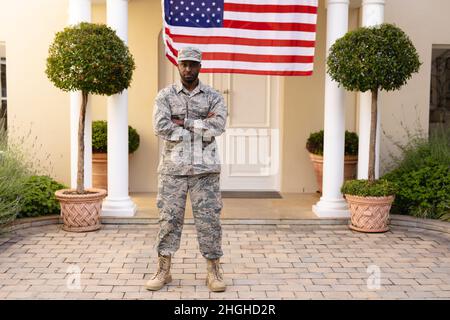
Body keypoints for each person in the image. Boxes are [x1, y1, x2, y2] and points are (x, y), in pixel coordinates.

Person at [145, 47, 228, 292]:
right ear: (178, 65)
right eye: (184, 64)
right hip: (173, 170)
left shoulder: (214, 96)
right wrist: (198, 131)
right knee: (168, 220)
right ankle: (163, 270)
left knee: (209, 221)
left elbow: (218, 126)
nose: (188, 69)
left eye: (193, 64)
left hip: (206, 172)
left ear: (200, 66)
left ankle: (213, 271)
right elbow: (161, 126)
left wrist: (186, 122)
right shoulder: (165, 96)